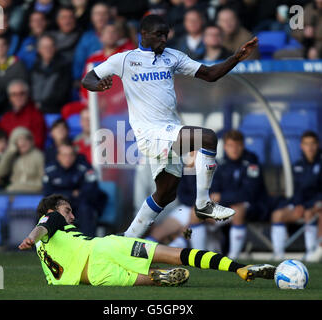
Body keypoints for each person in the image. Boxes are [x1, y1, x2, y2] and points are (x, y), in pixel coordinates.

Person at [82, 14, 259, 239]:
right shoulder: (124, 60)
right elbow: (88, 78)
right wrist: (98, 86)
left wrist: (237, 57)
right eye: (158, 35)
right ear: (143, 34)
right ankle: (204, 203)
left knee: (165, 194)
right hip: (149, 133)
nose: (163, 39)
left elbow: (210, 74)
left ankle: (128, 239)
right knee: (207, 138)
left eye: (166, 34)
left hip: (169, 129)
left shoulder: (172, 57)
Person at [18, 193, 276, 286]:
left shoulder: (45, 253)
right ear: (52, 212)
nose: (72, 216)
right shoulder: (49, 222)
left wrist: (33, 242)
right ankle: (239, 269)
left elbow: (44, 235)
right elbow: (45, 226)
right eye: (67, 211)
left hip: (95, 278)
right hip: (105, 248)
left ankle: (158, 277)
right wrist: (30, 237)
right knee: (177, 255)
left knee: (149, 279)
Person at [210, 130, 272, 259]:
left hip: (254, 207)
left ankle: (233, 256)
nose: (234, 149)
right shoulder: (221, 164)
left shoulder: (252, 163)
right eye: (230, 146)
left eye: (237, 145)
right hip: (226, 206)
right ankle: (201, 254)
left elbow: (249, 193)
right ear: (225, 147)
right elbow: (214, 192)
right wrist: (222, 198)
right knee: (196, 214)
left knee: (237, 210)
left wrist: (222, 197)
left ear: (243, 146)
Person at [271, 131, 322, 262]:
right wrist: (299, 204)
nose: (310, 148)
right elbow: (296, 190)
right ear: (301, 146)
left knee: (311, 214)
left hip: (316, 205)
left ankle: (314, 252)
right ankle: (278, 255)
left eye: (312, 144)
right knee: (277, 215)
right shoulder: (297, 165)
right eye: (306, 144)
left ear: (318, 145)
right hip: (301, 205)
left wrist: (310, 206)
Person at [43, 141, 107, 236]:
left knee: (86, 209)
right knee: (46, 212)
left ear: (75, 156)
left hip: (81, 204)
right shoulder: (50, 170)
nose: (68, 158)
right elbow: (48, 193)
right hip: (59, 206)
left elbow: (90, 190)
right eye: (64, 155)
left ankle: (87, 245)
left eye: (71, 155)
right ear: (58, 156)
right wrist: (71, 193)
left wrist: (63, 194)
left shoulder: (84, 167)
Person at [0, 127, 45, 192]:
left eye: (26, 139)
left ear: (31, 141)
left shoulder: (38, 156)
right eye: (19, 140)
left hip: (33, 192)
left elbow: (43, 179)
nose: (23, 142)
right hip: (13, 192)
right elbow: (1, 172)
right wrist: (10, 152)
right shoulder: (13, 156)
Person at [0, 35, 29, 116]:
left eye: (3, 45)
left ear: (8, 47)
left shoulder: (18, 64)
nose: (0, 48)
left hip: (19, 109)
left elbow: (25, 90)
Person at [0, 79, 47, 150]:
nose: (18, 97)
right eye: (14, 94)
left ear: (27, 94)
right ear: (10, 98)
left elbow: (38, 143)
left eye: (22, 93)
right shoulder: (6, 117)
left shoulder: (36, 116)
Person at [30, 34, 72, 113]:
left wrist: (42, 105)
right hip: (35, 111)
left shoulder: (64, 67)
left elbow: (62, 94)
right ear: (39, 50)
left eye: (51, 46)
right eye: (45, 47)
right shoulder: (34, 68)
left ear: (55, 48)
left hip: (55, 111)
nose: (48, 50)